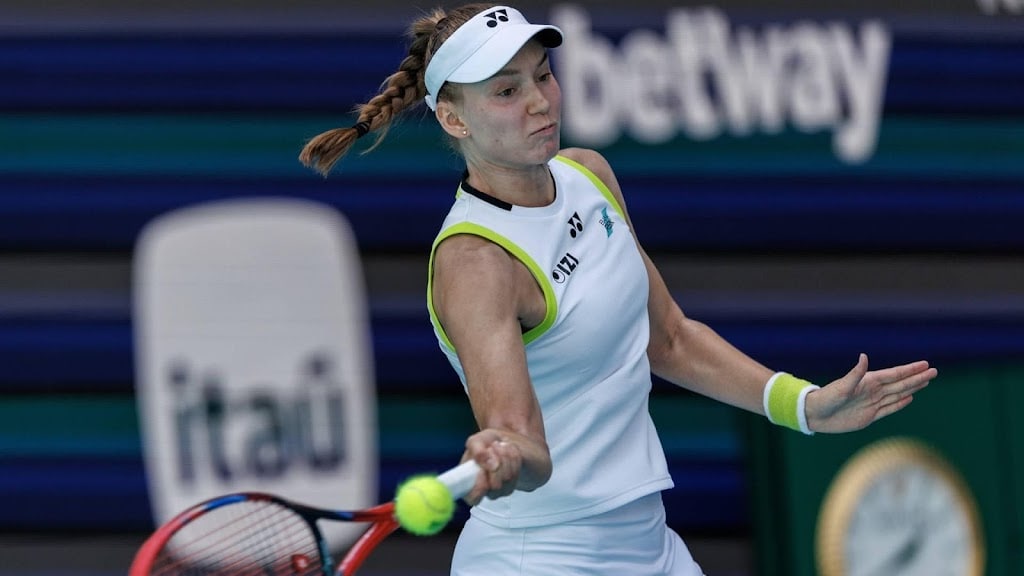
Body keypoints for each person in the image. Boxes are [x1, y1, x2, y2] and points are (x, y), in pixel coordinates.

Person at [299, 4, 937, 575]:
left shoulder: (588, 174)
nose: (540, 102)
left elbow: (669, 338)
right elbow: (522, 437)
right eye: (507, 91)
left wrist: (803, 405)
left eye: (543, 75)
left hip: (649, 542)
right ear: (453, 118)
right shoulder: (476, 262)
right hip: (541, 558)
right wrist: (502, 450)